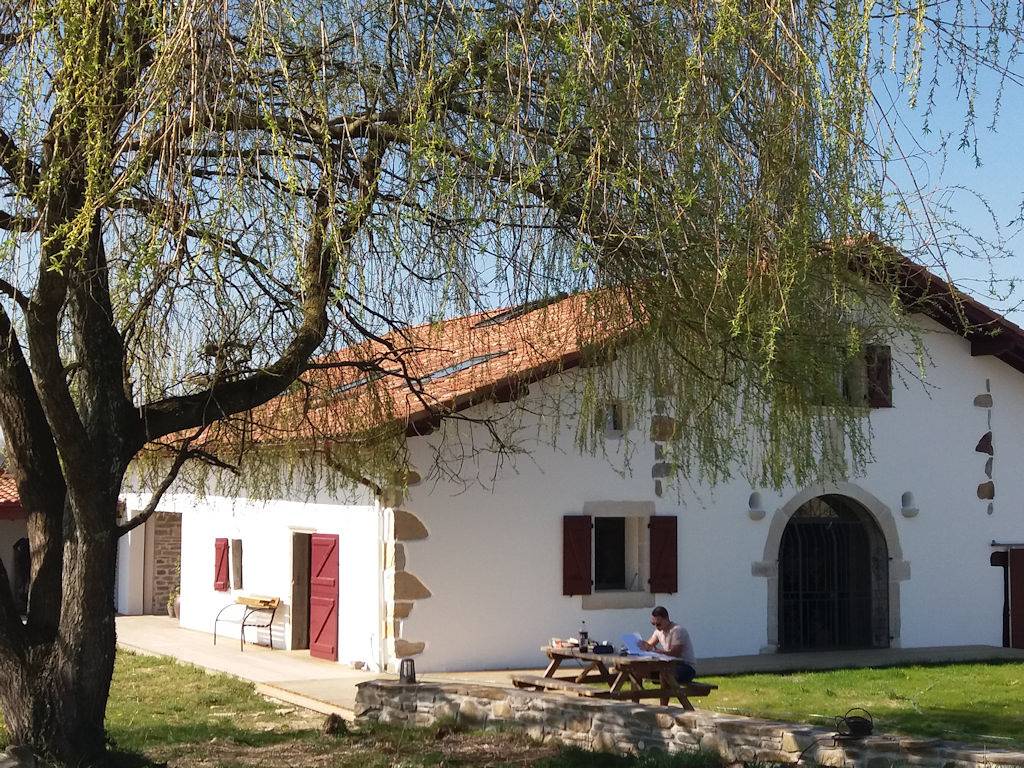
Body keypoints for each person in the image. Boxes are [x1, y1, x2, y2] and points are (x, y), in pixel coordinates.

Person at [638, 605, 697, 683]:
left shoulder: (677, 631)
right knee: (640, 671)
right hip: (669, 665)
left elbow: (675, 653)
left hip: (686, 667)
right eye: (653, 624)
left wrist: (658, 652)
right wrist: (638, 644)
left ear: (666, 619)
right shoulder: (658, 631)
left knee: (664, 673)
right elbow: (648, 645)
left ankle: (671, 690)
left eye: (658, 624)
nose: (656, 627)